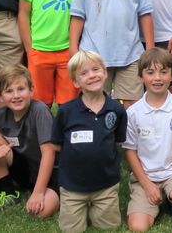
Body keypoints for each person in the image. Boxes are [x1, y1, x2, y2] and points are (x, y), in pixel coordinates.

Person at [124, 48, 172, 231]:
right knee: (138, 227)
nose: (157, 78)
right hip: (146, 175)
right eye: (150, 73)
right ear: (141, 77)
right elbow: (130, 151)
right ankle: (156, 199)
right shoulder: (133, 113)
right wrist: (146, 184)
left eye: (163, 72)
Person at [0, 64, 59, 218]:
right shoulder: (0, 114)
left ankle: (43, 191)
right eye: (9, 91)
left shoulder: (39, 110)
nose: (16, 95)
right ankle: (9, 193)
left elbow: (49, 153)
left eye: (21, 89)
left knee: (40, 212)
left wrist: (38, 193)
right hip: (25, 171)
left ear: (32, 89)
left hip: (52, 173)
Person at [52, 50, 127, 233]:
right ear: (76, 82)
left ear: (105, 73)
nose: (92, 75)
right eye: (83, 73)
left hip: (106, 186)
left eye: (95, 69)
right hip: (72, 187)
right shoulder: (66, 111)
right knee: (71, 229)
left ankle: (98, 207)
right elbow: (56, 144)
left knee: (109, 227)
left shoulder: (117, 110)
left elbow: (117, 141)